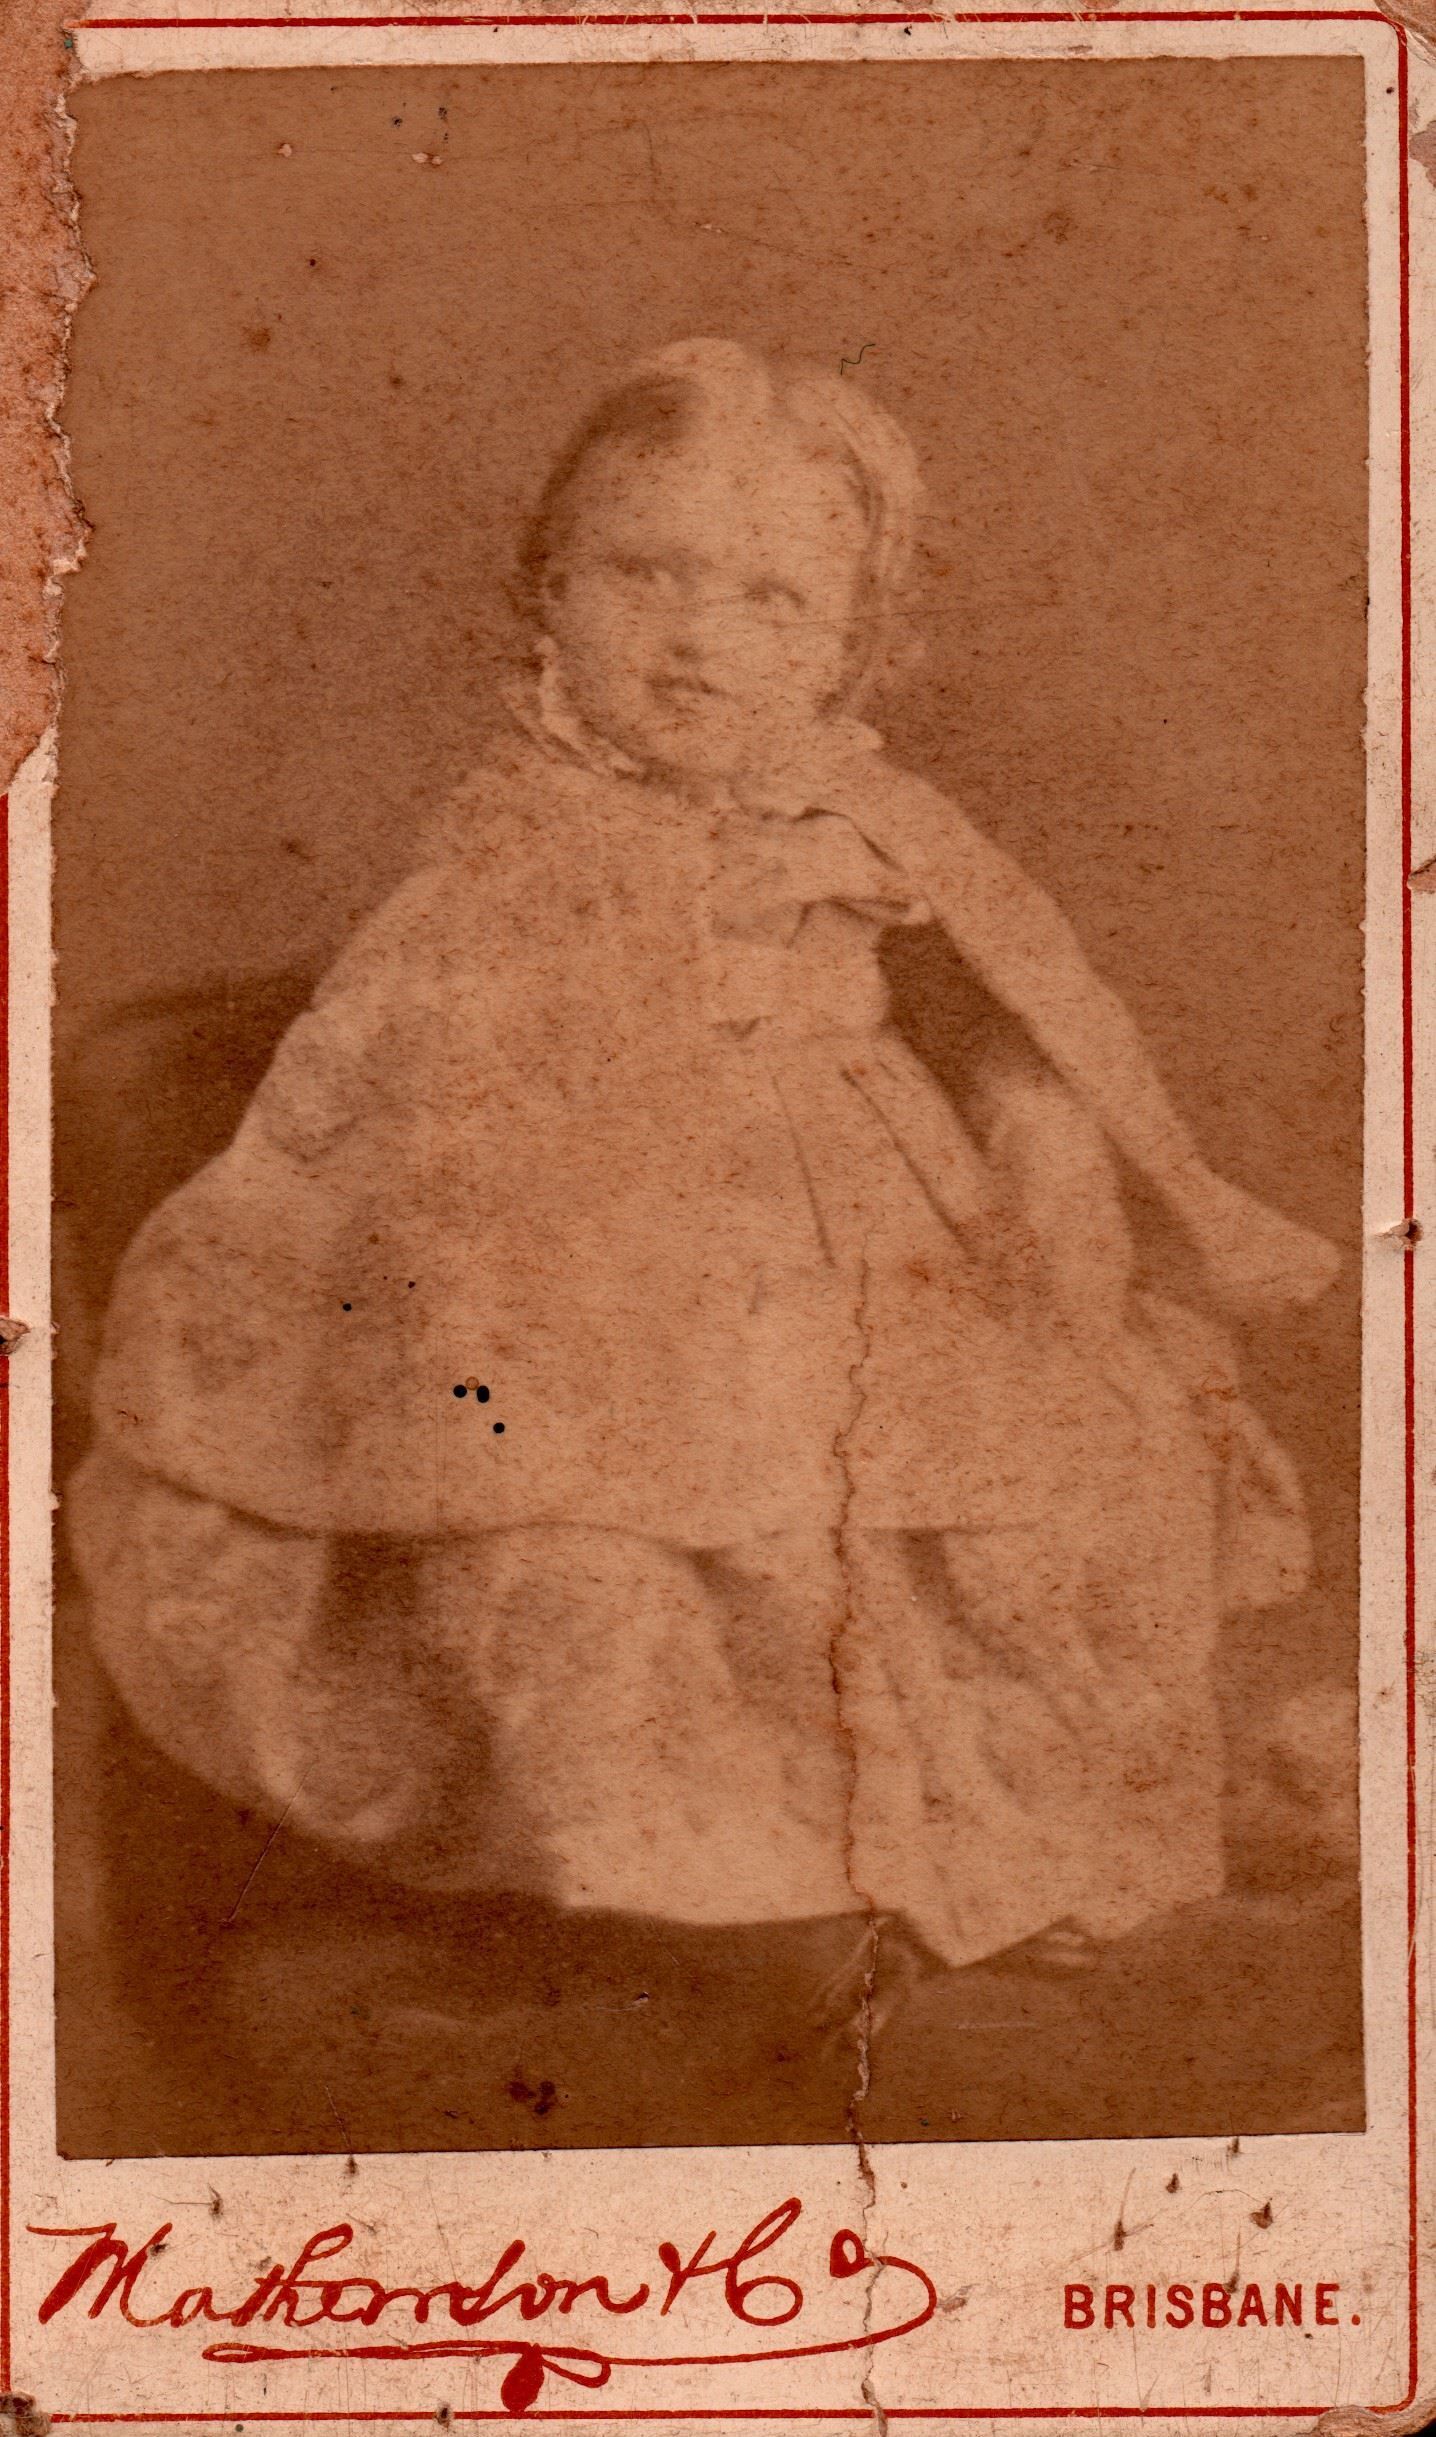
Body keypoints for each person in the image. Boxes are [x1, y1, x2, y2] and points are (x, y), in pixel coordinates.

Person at [68, 339, 1338, 2122]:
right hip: (564, 1307)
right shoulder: (509, 848)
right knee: (611, 1585)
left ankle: (992, 1860)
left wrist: (1046, 1155)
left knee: (1087, 1487)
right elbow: (413, 1126)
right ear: (549, 595)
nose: (698, 635)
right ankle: (730, 1912)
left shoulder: (877, 820)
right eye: (644, 574)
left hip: (877, 1265)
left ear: (848, 646)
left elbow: (1030, 1016)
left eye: (769, 597)